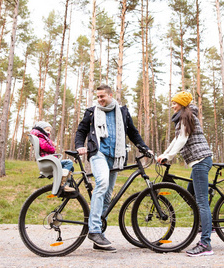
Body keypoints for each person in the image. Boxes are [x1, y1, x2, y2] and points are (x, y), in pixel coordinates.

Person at [75, 84, 151, 253]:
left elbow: (132, 132)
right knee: (101, 184)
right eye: (98, 97)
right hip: (98, 153)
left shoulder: (122, 111)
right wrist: (80, 145)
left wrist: (144, 148)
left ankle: (99, 237)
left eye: (102, 96)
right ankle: (94, 230)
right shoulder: (92, 111)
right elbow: (81, 131)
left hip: (115, 157)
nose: (100, 99)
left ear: (110, 95)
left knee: (107, 196)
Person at [156, 91, 214, 257]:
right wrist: (165, 154)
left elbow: (182, 139)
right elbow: (176, 139)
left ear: (182, 104)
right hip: (200, 161)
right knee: (190, 195)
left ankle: (206, 244)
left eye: (175, 103)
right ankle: (206, 223)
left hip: (200, 161)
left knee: (202, 202)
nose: (172, 105)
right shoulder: (184, 116)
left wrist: (168, 156)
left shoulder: (186, 116)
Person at [30, 121, 75, 192]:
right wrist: (53, 147)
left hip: (48, 160)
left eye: (49, 131)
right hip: (49, 161)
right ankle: (62, 184)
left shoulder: (40, 137)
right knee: (69, 162)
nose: (48, 133)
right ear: (41, 129)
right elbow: (45, 146)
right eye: (47, 130)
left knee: (71, 168)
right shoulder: (40, 137)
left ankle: (66, 184)